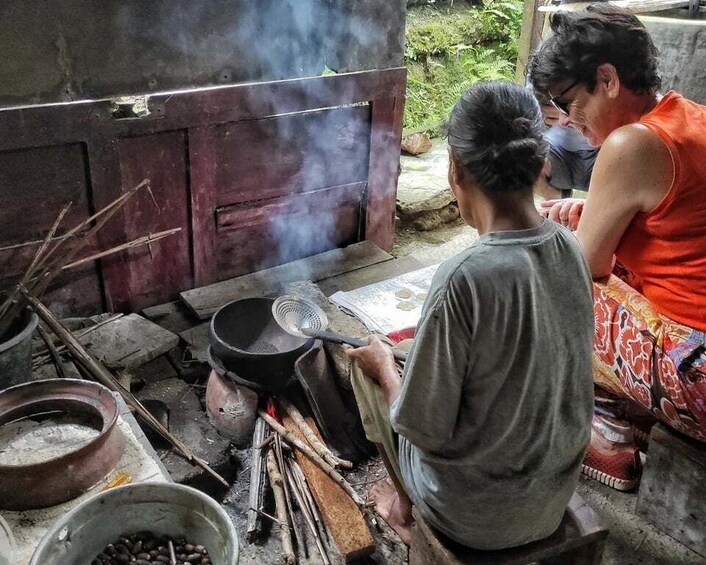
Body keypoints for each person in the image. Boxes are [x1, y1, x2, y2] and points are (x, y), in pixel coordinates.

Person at [346, 80, 594, 549]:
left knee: (373, 365)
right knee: (410, 354)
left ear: (455, 169)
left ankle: (404, 508)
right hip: (551, 499)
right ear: (541, 164)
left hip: (474, 519)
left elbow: (421, 428)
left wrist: (383, 367)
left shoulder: (463, 276)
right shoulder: (570, 246)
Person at [528, 4, 706, 491]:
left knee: (545, 276)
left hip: (699, 376)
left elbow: (585, 266)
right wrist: (593, 213)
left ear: (607, 78)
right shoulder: (691, 117)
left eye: (568, 101)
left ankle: (607, 428)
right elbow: (676, 230)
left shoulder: (631, 144)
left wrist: (560, 235)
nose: (566, 121)